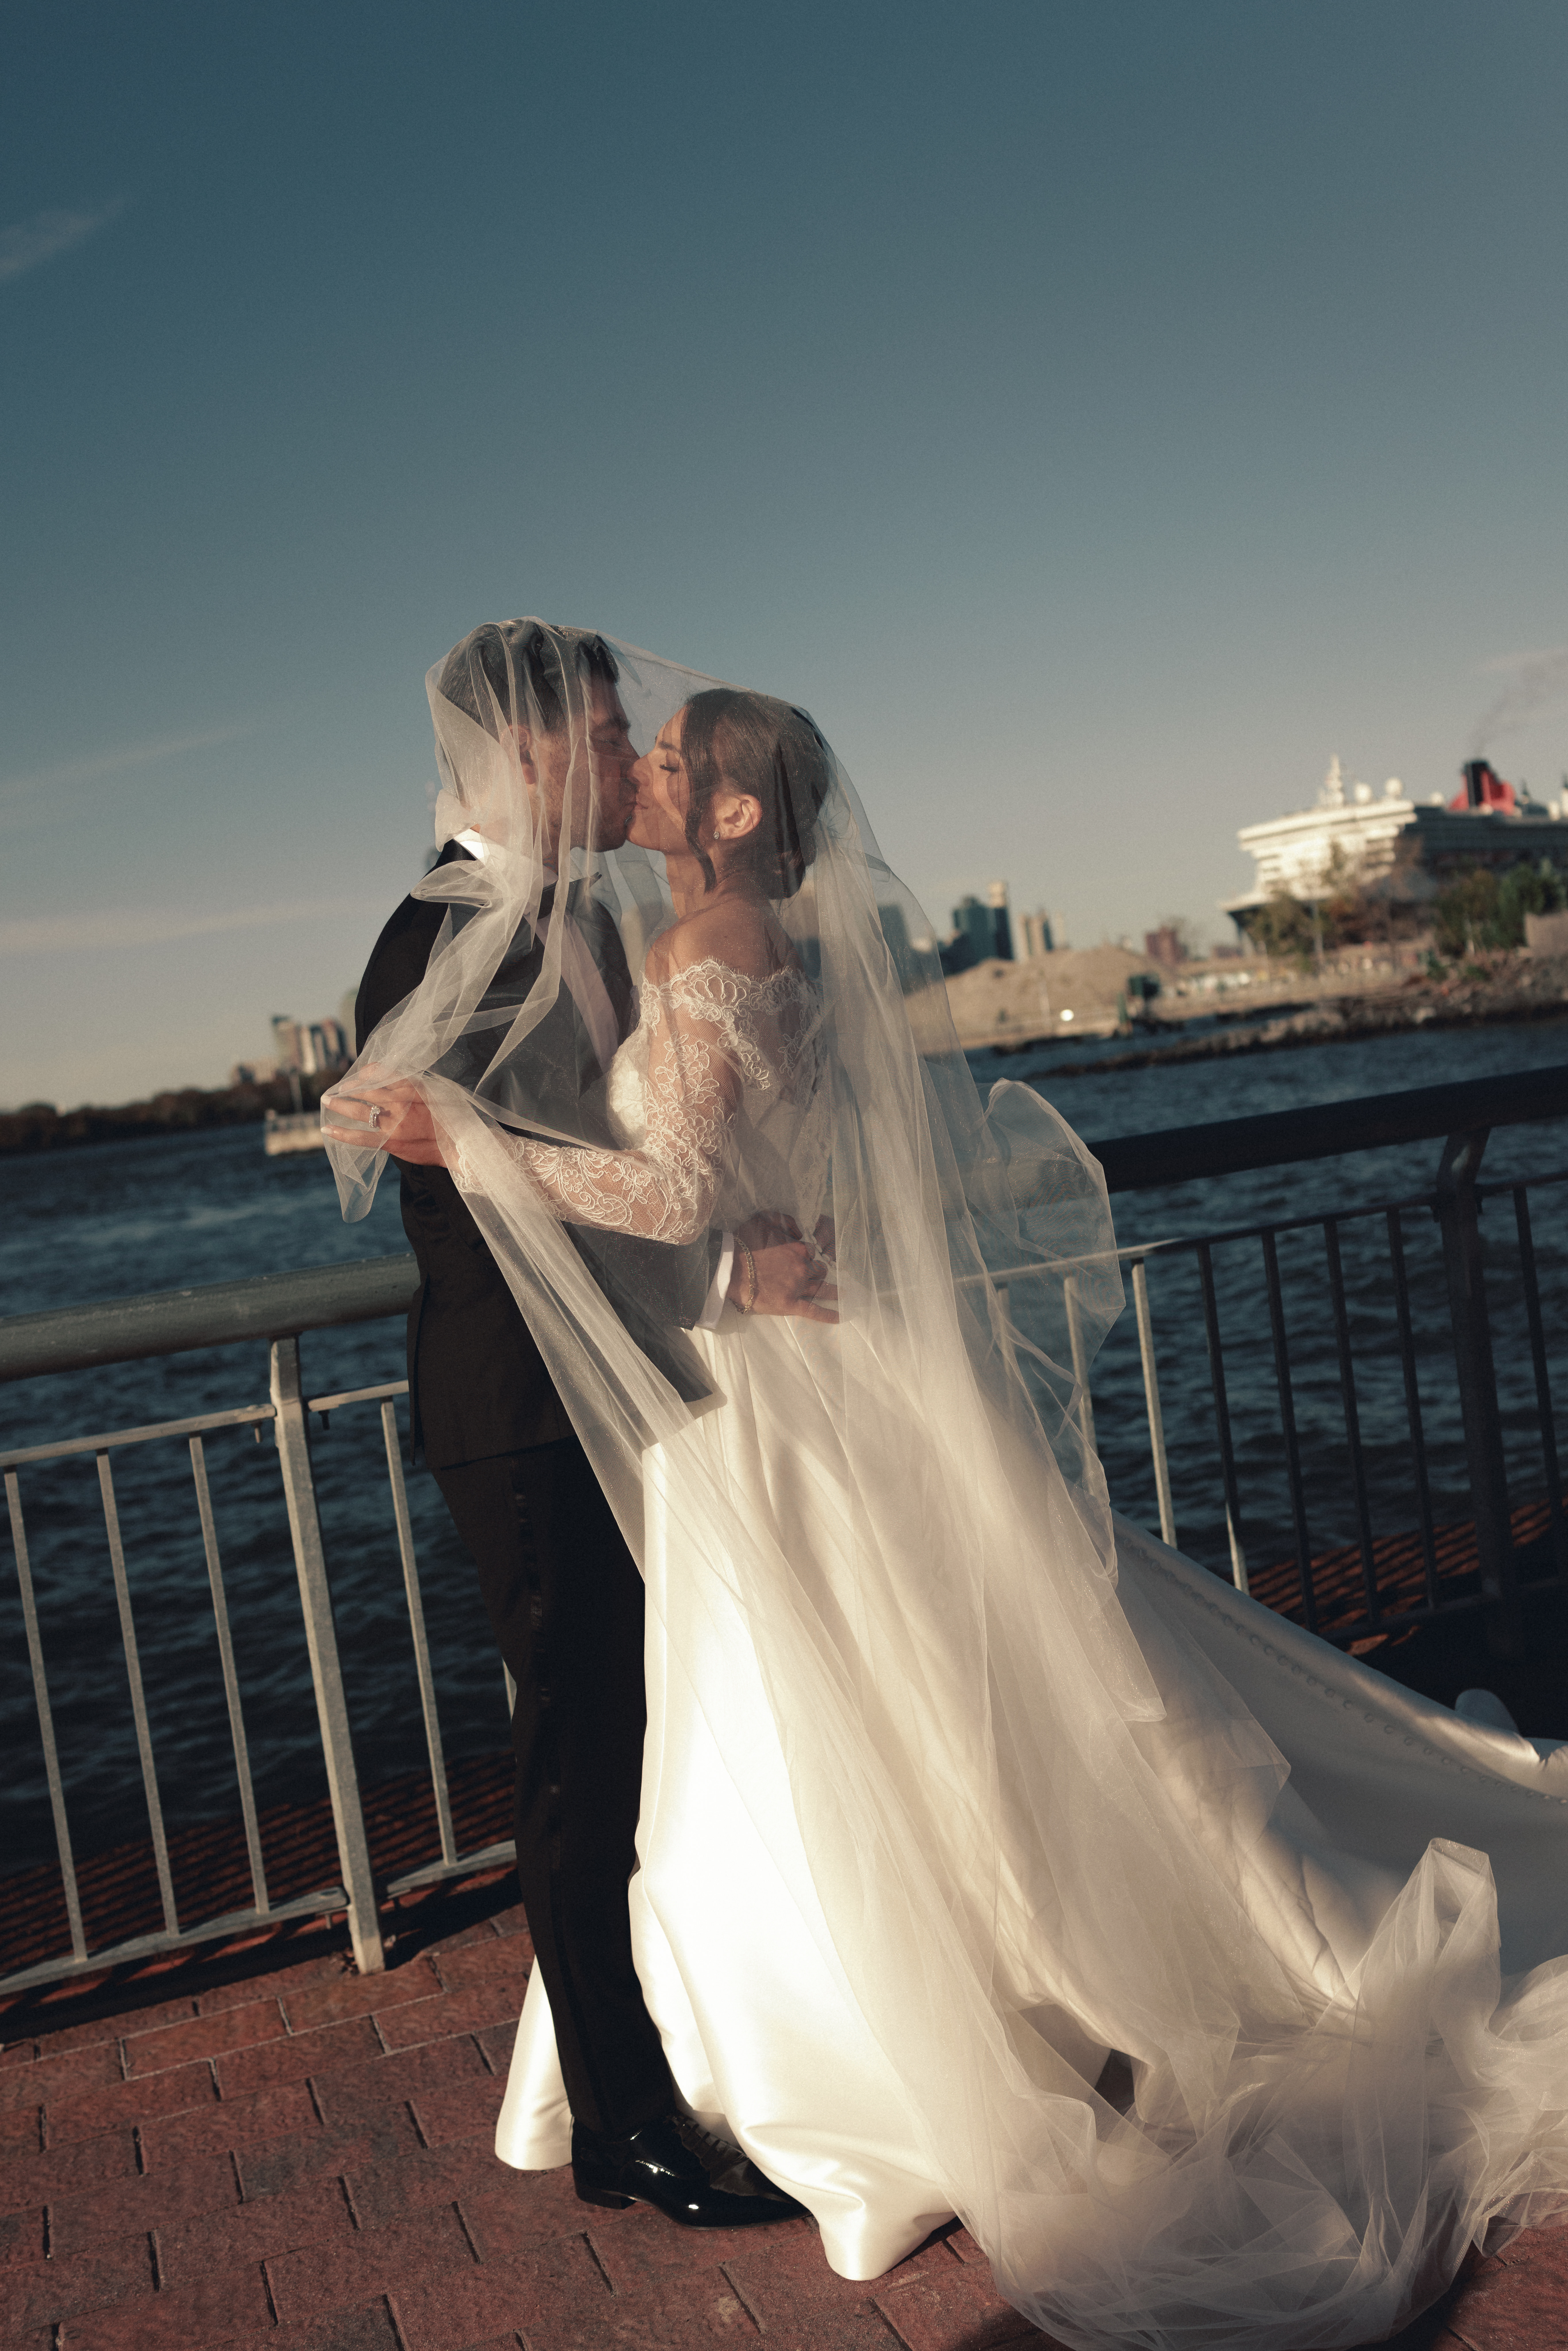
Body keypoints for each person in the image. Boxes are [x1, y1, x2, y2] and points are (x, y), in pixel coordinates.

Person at [329, 629, 1568, 2351]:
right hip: (721, 1383)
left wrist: (469, 1142)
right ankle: (701, 2075)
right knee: (801, 1708)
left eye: (666, 752)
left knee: (790, 1713)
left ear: (736, 800)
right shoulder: (613, 935)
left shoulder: (685, 937)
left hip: (757, 1390)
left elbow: (668, 1185)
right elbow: (679, 1188)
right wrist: (620, 1214)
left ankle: (821, 2046)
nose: (643, 769)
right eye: (622, 743)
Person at [342, 622, 828, 2229]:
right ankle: (622, 2127)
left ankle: (659, 2072)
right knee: (574, 1767)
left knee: (635, 1745)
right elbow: (470, 1200)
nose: (632, 767)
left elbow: (630, 1168)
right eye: (612, 739)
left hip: (618, 1384)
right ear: (530, 755)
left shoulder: (584, 918)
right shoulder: (441, 937)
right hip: (521, 1409)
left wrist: (732, 1221)